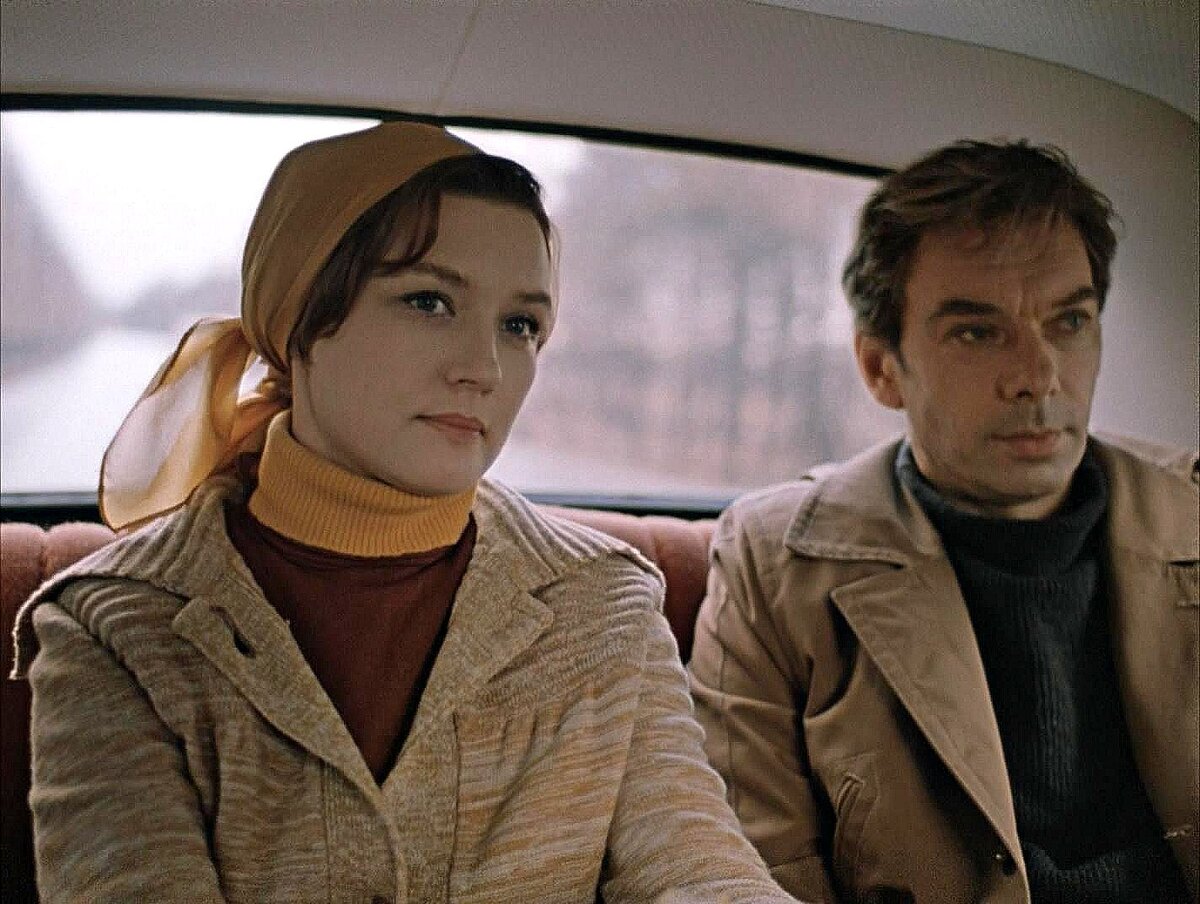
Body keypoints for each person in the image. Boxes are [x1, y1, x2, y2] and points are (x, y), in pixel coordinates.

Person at [11, 122, 796, 903]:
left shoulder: (604, 602)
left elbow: (698, 869)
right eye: (428, 302)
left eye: (520, 325)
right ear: (301, 320)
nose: (484, 369)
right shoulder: (117, 628)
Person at [688, 139, 1198, 903]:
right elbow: (749, 875)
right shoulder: (775, 563)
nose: (1038, 378)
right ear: (881, 368)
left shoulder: (1190, 515)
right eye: (977, 332)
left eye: (1069, 321)